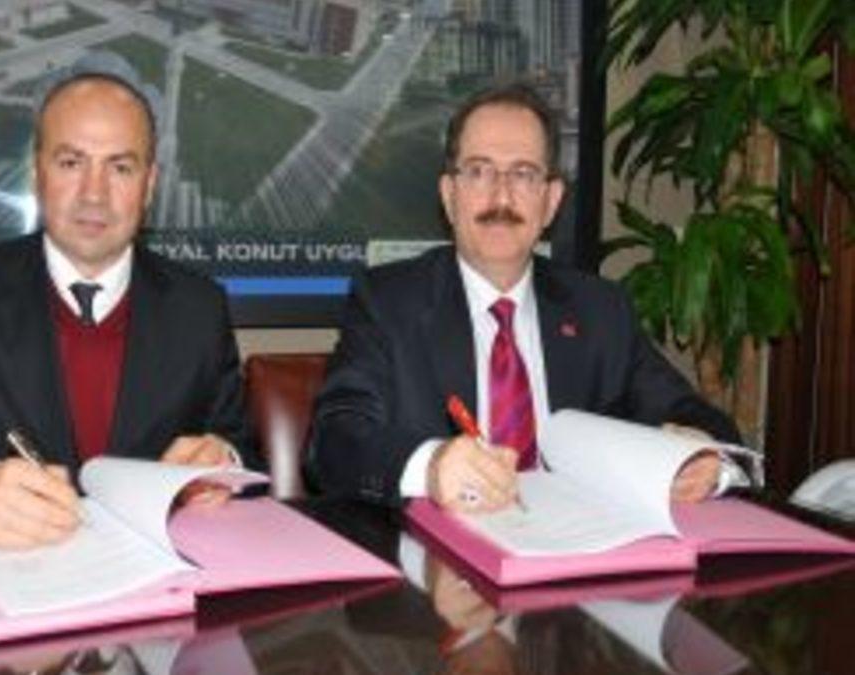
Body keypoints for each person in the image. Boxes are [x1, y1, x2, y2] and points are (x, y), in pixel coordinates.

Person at [0, 52, 253, 561]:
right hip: (8, 591)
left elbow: (243, 448)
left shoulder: (199, 307)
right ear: (37, 173)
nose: (94, 194)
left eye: (120, 167)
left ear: (149, 185)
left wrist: (222, 464)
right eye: (71, 162)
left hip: (157, 593)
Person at [309, 83, 742, 514]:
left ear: (551, 201)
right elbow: (334, 442)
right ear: (449, 195)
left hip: (579, 547)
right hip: (441, 549)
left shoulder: (601, 310)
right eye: (479, 171)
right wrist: (432, 467)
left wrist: (704, 458)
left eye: (523, 174)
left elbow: (691, 414)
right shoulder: (387, 301)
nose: (501, 197)